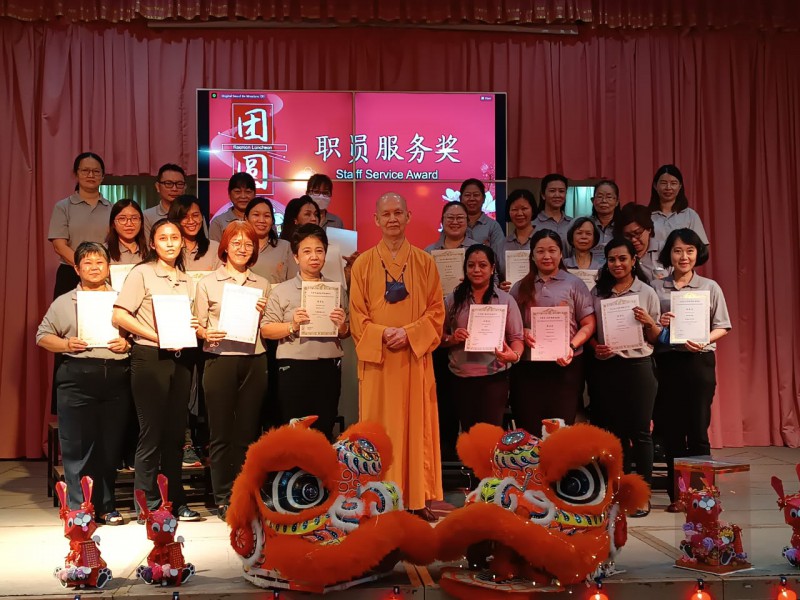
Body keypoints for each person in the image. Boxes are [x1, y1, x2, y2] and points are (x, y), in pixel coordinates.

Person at [349, 192, 445, 521]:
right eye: (386, 213)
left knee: (416, 428)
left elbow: (437, 312)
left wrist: (409, 333)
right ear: (376, 220)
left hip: (413, 359)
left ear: (408, 216)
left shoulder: (424, 262)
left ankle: (416, 498)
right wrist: (381, 333)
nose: (392, 218)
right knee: (379, 429)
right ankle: (378, 499)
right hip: (378, 362)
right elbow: (356, 316)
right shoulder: (363, 264)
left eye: (398, 212)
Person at [112, 218, 201, 521]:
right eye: (163, 238)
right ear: (152, 243)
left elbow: (192, 320)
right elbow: (120, 315)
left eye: (175, 237)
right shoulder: (142, 273)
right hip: (150, 357)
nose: (170, 243)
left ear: (183, 242)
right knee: (151, 433)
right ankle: (147, 503)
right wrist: (155, 335)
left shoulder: (187, 280)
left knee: (175, 435)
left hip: (181, 357)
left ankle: (174, 500)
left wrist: (196, 325)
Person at [36, 242, 130, 525]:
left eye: (100, 262)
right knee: (77, 447)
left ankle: (106, 505)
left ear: (108, 267)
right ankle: (80, 510)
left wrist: (127, 343)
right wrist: (66, 344)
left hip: (116, 377)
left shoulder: (122, 300)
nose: (94, 267)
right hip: (77, 376)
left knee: (110, 446)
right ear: (76, 269)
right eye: (87, 263)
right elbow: (42, 336)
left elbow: (139, 334)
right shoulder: (64, 301)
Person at [194, 221, 269, 521]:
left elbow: (267, 326)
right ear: (224, 246)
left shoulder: (262, 283)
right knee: (221, 433)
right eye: (236, 243)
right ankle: (224, 496)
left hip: (254, 359)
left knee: (248, 432)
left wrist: (263, 314)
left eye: (248, 244)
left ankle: (246, 493)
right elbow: (198, 325)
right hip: (220, 359)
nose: (242, 248)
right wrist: (205, 333)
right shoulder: (207, 283)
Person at [652, 228, 730, 512]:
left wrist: (703, 339)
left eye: (689, 250)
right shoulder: (656, 287)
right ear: (669, 254)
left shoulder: (710, 287)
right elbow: (651, 329)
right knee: (671, 432)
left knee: (698, 429)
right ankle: (679, 496)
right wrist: (660, 322)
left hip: (699, 363)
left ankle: (702, 498)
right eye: (677, 251)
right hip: (667, 364)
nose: (683, 256)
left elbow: (722, 326)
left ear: (698, 253)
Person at [588, 238, 661, 516]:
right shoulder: (598, 292)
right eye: (612, 259)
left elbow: (656, 338)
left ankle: (642, 495)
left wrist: (649, 322)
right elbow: (590, 331)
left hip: (638, 366)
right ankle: (616, 492)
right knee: (613, 435)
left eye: (622, 259)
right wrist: (596, 347)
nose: (617, 264)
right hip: (607, 368)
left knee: (640, 432)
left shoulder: (647, 292)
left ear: (633, 260)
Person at [261, 224, 350, 438]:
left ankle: (320, 462)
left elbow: (347, 331)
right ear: (296, 257)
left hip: (328, 367)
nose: (314, 257)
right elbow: (266, 330)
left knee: (324, 427)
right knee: (294, 431)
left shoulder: (336, 289)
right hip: (294, 367)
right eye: (307, 251)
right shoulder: (281, 291)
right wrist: (292, 325)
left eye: (319, 251)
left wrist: (342, 326)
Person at [509, 230, 595, 432]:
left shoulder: (574, 284)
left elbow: (589, 323)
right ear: (532, 256)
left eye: (552, 250)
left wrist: (571, 346)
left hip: (565, 365)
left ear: (561, 253)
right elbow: (509, 326)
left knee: (560, 428)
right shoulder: (520, 287)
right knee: (529, 427)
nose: (546, 256)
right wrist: (523, 331)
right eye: (540, 251)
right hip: (529, 367)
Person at [440, 245, 524, 431]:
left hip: (494, 378)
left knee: (491, 434)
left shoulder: (505, 300)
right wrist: (452, 338)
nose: (476, 270)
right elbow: (438, 336)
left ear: (492, 268)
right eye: (471, 265)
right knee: (468, 434)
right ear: (465, 268)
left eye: (483, 265)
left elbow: (517, 338)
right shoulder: (452, 299)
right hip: (461, 377)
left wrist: (514, 355)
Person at [424, 201, 476, 460]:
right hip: (437, 334)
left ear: (468, 221)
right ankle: (444, 455)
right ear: (442, 221)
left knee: (468, 399)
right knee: (442, 396)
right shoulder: (428, 253)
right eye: (450, 217)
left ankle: (470, 456)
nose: (455, 222)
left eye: (460, 218)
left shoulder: (477, 252)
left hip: (471, 335)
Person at [48, 152, 112, 298]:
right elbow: (59, 246)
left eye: (96, 171)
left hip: (103, 274)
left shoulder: (112, 208)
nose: (91, 175)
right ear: (76, 174)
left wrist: (97, 269)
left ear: (102, 176)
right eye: (85, 170)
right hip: (70, 273)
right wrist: (84, 267)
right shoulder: (63, 207)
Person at [648, 164, 709, 247]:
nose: (668, 187)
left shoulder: (690, 216)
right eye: (663, 183)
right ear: (655, 186)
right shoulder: (646, 215)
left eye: (673, 183)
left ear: (680, 186)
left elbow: (703, 247)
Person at [245, 197, 295, 283]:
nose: (261, 220)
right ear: (246, 219)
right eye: (256, 215)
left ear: (272, 221)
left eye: (267, 216)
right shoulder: (239, 247)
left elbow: (293, 281)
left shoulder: (285, 247)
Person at [616, 203, 669, 282]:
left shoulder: (665, 250)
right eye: (627, 235)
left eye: (637, 233)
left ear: (649, 229)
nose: (633, 239)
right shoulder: (618, 253)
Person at [499, 189, 537, 290]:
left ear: (533, 210)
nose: (519, 213)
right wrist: (499, 286)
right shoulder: (502, 245)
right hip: (509, 296)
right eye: (514, 209)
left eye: (524, 208)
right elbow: (495, 274)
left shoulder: (544, 241)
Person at [169, 195, 219, 272]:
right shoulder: (169, 248)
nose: (191, 221)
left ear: (202, 217)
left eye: (195, 215)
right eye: (184, 217)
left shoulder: (215, 248)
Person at [459, 178, 504, 260]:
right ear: (460, 198)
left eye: (476, 195)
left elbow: (500, 257)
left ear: (483, 198)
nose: (472, 199)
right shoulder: (454, 225)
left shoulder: (493, 226)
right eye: (467, 195)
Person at [143, 164, 188, 239]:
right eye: (168, 184)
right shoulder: (147, 216)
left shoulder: (193, 215)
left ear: (185, 187)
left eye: (179, 184)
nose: (174, 189)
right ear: (158, 186)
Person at [209, 172, 257, 241]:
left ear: (254, 194)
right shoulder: (219, 222)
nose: (243, 196)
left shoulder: (262, 220)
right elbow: (215, 247)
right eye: (237, 192)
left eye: (248, 192)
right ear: (229, 194)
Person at [534, 173, 573, 255]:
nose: (557, 195)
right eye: (552, 191)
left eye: (561, 191)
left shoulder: (573, 224)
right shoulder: (533, 224)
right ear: (543, 195)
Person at [106, 199, 147, 264]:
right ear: (113, 223)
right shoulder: (103, 252)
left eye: (134, 218)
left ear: (141, 222)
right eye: (122, 219)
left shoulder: (150, 251)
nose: (129, 224)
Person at [590, 179, 621, 261]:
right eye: (600, 197)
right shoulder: (585, 225)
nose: (604, 201)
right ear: (593, 200)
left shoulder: (624, 225)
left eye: (609, 197)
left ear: (617, 202)